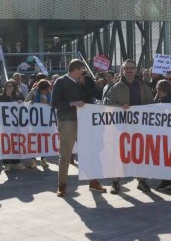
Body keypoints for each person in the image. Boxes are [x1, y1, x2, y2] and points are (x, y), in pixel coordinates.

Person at [52, 59, 105, 195]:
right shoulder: (60, 82)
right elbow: (55, 103)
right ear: (76, 70)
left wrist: (84, 86)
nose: (83, 72)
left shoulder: (81, 82)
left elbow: (92, 96)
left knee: (87, 152)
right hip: (67, 122)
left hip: (83, 121)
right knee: (65, 155)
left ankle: (93, 182)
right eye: (82, 69)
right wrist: (72, 103)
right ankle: (62, 185)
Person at [103, 59, 154, 194]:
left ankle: (141, 181)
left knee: (140, 153)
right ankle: (115, 182)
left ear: (136, 70)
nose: (129, 70)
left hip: (139, 126)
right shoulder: (115, 87)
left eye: (132, 68)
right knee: (118, 154)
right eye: (127, 68)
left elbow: (151, 105)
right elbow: (108, 105)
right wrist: (120, 107)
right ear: (122, 70)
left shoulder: (144, 87)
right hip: (121, 127)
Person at [0, 80, 25, 171]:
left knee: (15, 143)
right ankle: (6, 163)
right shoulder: (1, 96)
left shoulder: (18, 96)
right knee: (6, 143)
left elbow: (23, 106)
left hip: (16, 124)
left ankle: (17, 162)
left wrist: (21, 103)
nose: (9, 87)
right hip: (5, 124)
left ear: (14, 87)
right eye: (8, 85)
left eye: (11, 86)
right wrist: (8, 96)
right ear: (5, 87)